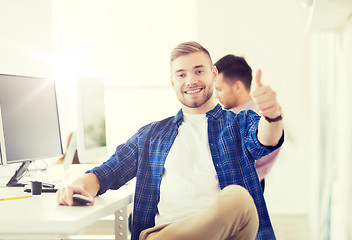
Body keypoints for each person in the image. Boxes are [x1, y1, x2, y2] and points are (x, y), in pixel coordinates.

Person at [57, 42, 284, 240]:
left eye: (198, 71)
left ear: (213, 74)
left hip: (228, 234)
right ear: (173, 82)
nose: (191, 80)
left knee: (238, 199)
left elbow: (265, 137)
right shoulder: (151, 135)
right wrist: (78, 186)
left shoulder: (239, 123)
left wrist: (272, 115)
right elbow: (107, 172)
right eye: (181, 74)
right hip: (167, 230)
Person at [214, 54, 281, 189]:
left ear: (237, 87)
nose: (216, 95)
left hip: (244, 190)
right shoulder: (230, 117)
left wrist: (273, 115)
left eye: (219, 89)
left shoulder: (256, 118)